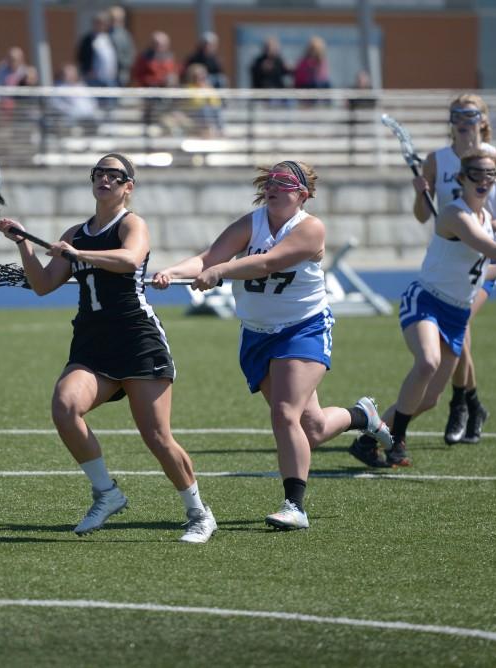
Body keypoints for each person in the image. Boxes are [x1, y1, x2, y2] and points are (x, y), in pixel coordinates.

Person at [151, 161, 393, 530]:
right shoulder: (251, 222)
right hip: (256, 334)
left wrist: (221, 272)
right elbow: (209, 257)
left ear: (303, 194)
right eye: (271, 181)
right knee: (309, 430)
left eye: (285, 182)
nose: (274, 187)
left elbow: (266, 264)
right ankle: (362, 416)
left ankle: (294, 506)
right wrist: (173, 271)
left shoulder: (311, 229)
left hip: (303, 328)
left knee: (284, 414)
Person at [0, 154, 217, 544]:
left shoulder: (132, 224)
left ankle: (199, 513)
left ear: (128, 186)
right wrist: (24, 245)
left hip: (136, 337)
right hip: (92, 340)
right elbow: (44, 284)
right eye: (100, 173)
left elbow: (130, 259)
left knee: (157, 437)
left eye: (116, 175)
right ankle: (107, 493)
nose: (106, 179)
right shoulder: (77, 232)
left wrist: (79, 255)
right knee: (65, 407)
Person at [349, 151, 496, 468]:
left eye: (490, 174)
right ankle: (397, 441)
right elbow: (492, 249)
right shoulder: (454, 214)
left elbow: (481, 269)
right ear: (461, 178)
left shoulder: (486, 221)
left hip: (457, 314)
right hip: (427, 301)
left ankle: (366, 440)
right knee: (427, 362)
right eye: (476, 174)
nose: (484, 180)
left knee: (429, 399)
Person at [407, 94, 496, 446]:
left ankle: (460, 403)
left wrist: (491, 227)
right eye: (457, 114)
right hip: (447, 258)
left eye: (471, 114)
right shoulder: (437, 159)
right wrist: (420, 193)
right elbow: (422, 215)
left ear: (482, 119)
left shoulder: (495, 158)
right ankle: (471, 403)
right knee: (458, 329)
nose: (463, 120)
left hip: (482, 260)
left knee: (461, 325)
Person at [77, 11, 118, 89]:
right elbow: (81, 57)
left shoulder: (110, 38)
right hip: (93, 78)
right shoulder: (88, 39)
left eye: (103, 23)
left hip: (110, 78)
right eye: (98, 23)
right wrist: (87, 70)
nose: (101, 26)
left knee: (111, 100)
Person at [108, 5, 136, 87]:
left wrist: (119, 64)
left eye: (115, 19)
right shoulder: (104, 34)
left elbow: (131, 55)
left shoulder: (125, 35)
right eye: (111, 19)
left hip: (119, 74)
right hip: (104, 75)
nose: (113, 22)